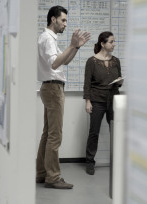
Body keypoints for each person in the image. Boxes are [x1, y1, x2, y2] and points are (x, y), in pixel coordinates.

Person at [36, 5, 90, 189]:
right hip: (53, 89)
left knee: (48, 134)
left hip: (50, 88)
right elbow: (55, 64)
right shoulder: (47, 39)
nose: (65, 24)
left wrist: (75, 48)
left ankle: (41, 173)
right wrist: (71, 45)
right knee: (55, 136)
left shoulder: (50, 39)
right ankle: (53, 177)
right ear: (53, 19)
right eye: (63, 20)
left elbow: (64, 61)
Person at [83, 31, 123, 175]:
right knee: (94, 132)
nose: (114, 44)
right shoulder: (91, 61)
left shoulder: (116, 61)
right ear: (102, 43)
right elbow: (87, 84)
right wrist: (88, 101)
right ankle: (89, 162)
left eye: (114, 41)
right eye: (111, 42)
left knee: (116, 131)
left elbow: (118, 81)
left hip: (114, 100)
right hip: (97, 100)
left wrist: (120, 82)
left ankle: (118, 161)